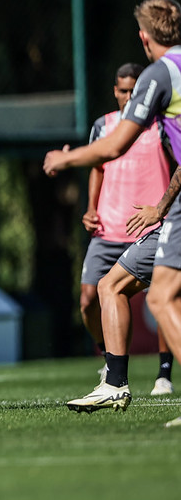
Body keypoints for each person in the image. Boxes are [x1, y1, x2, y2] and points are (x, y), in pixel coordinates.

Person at [43, 0, 181, 426]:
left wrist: (65, 159)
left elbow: (115, 144)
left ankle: (120, 382)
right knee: (111, 285)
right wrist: (162, 203)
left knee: (158, 297)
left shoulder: (160, 74)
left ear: (144, 38)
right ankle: (114, 384)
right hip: (169, 212)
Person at [75, 63, 174, 389]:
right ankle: (110, 358)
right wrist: (91, 208)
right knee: (89, 299)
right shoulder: (103, 125)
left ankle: (163, 374)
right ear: (114, 91)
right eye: (123, 90)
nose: (129, 96)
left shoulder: (161, 124)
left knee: (161, 297)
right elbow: (98, 167)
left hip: (150, 225)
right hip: (109, 227)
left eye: (134, 90)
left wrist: (164, 209)